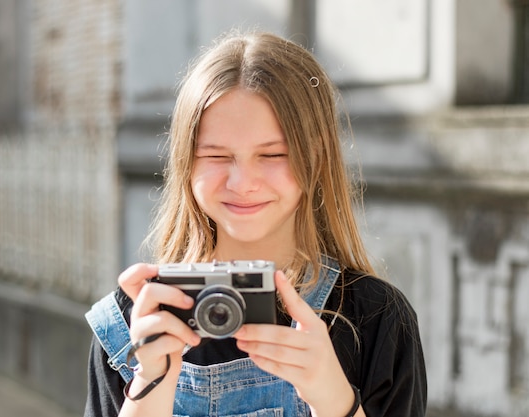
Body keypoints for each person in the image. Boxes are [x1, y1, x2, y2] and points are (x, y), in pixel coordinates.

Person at [84, 31, 427, 417]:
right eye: (215, 155)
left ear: (315, 157)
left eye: (273, 154)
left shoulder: (376, 319)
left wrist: (334, 400)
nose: (242, 183)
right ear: (185, 161)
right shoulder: (133, 324)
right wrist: (150, 383)